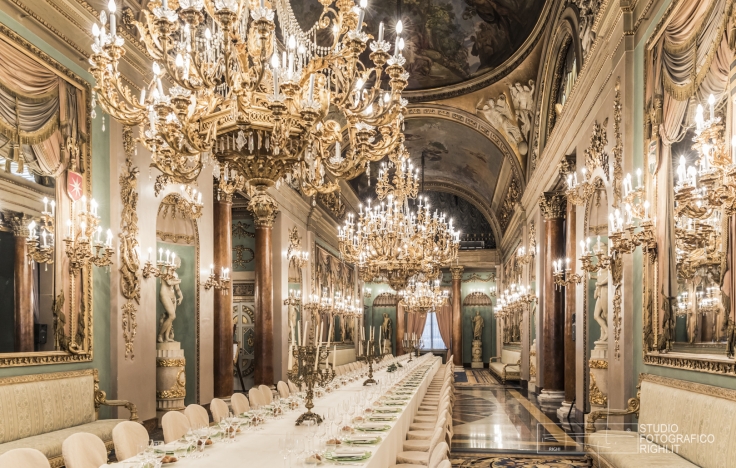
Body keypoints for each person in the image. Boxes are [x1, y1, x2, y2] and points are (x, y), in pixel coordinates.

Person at [158, 256, 183, 343]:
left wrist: (181, 296)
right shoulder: (165, 271)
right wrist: (179, 281)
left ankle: (166, 336)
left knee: (170, 317)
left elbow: (177, 289)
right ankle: (160, 335)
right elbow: (169, 283)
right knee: (172, 315)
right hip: (164, 294)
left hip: (173, 297)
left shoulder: (175, 274)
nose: (175, 268)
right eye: (175, 266)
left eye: (177, 267)